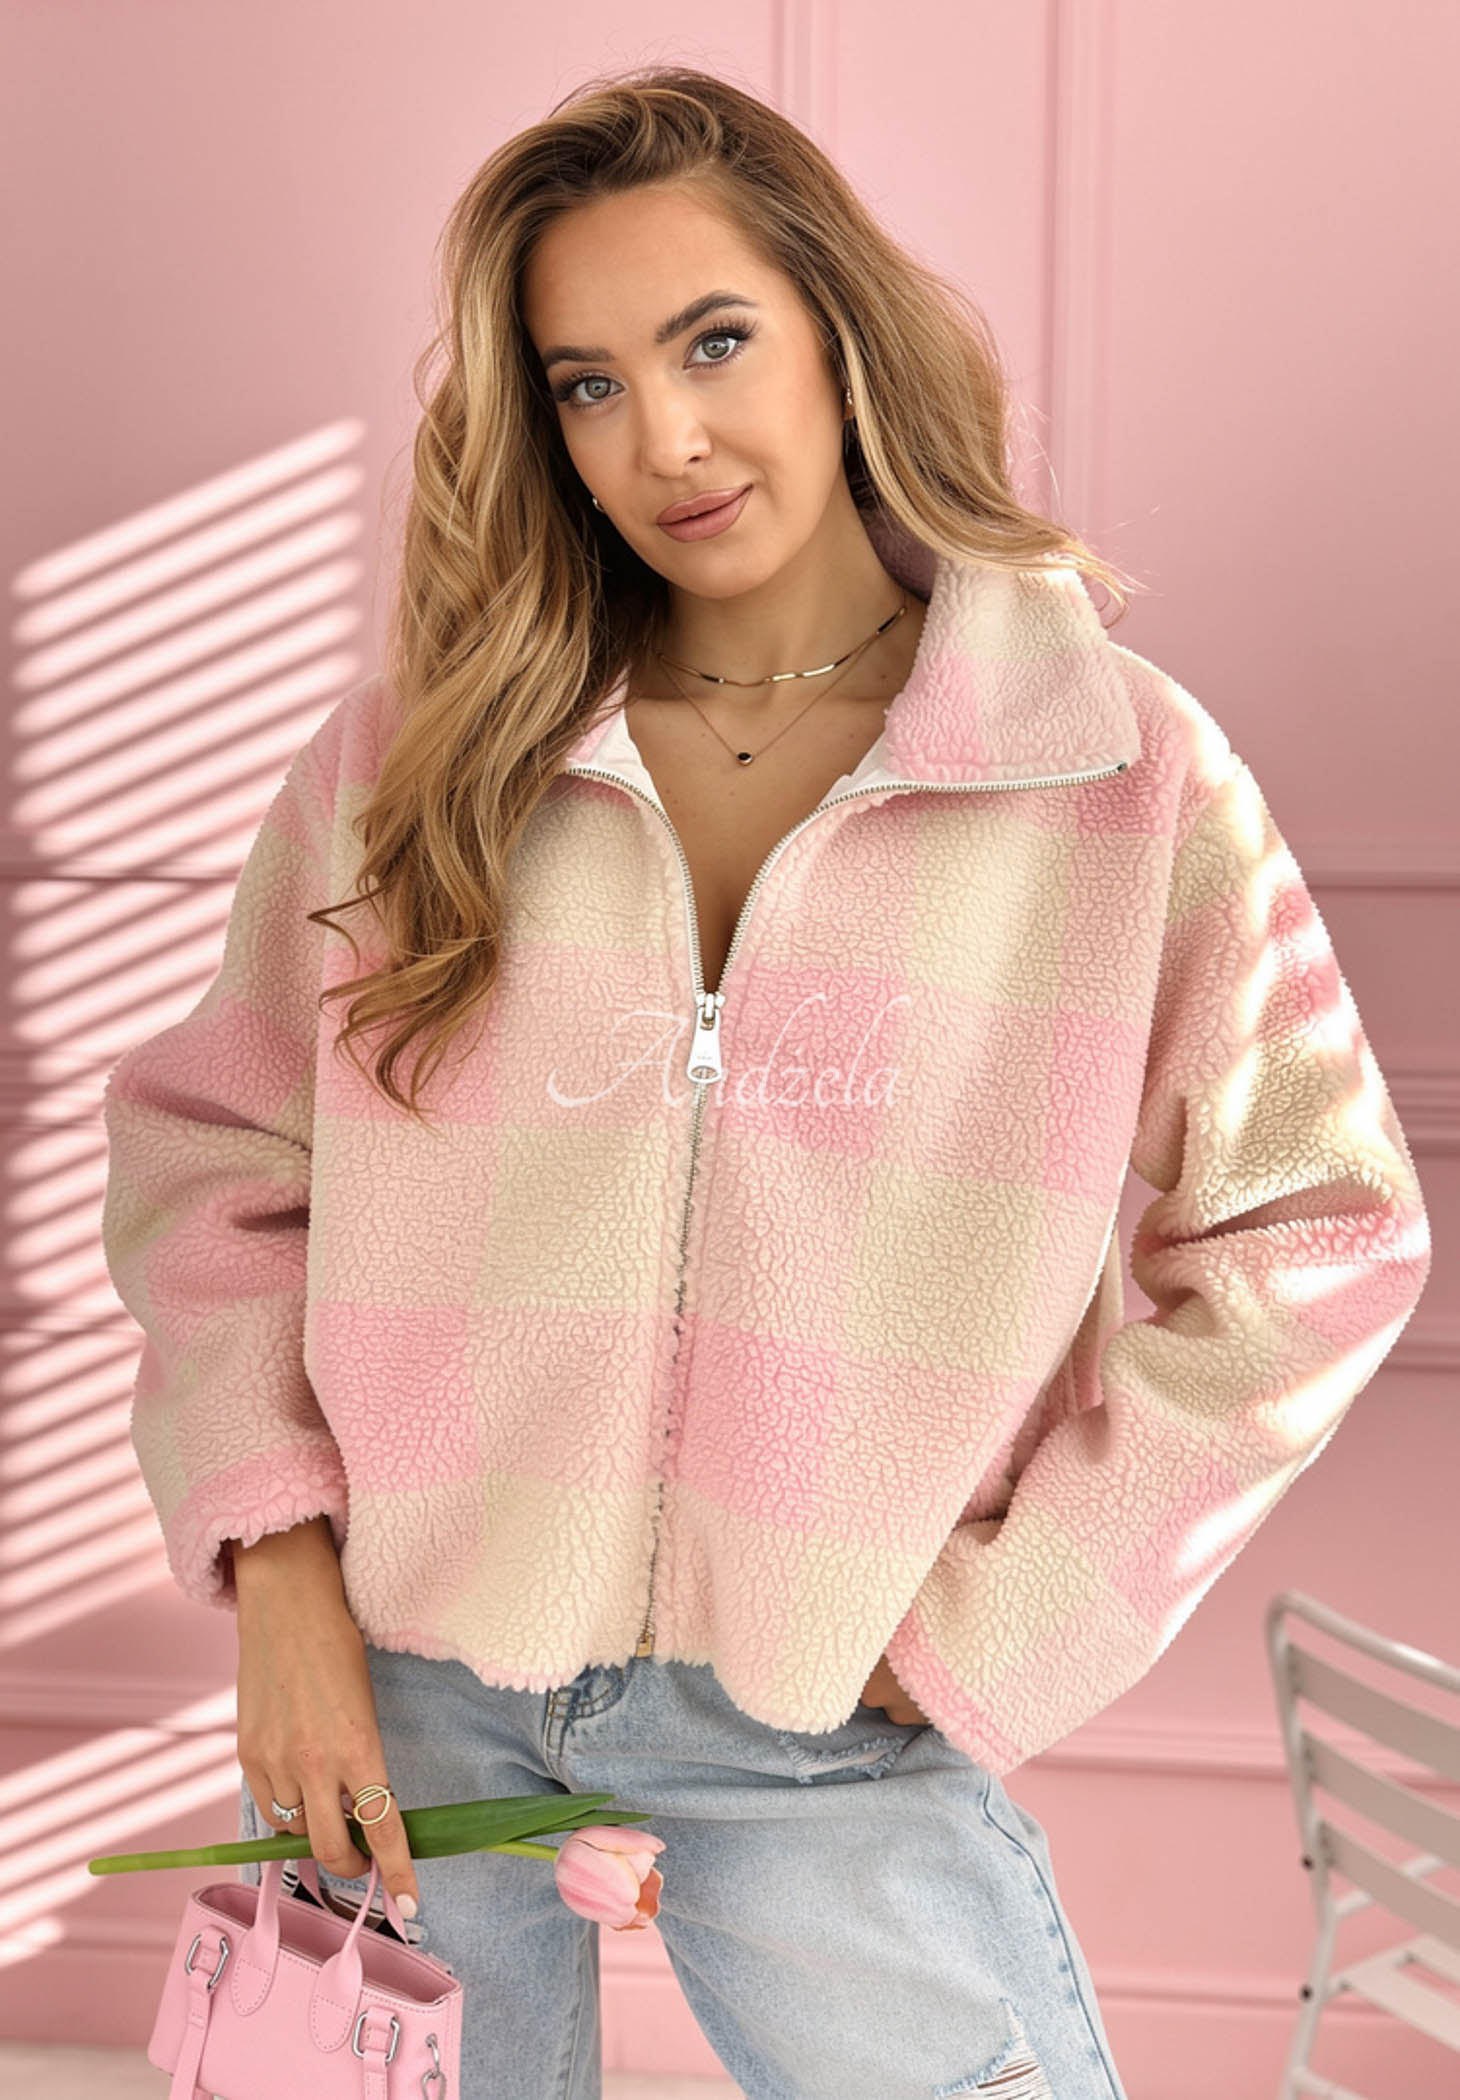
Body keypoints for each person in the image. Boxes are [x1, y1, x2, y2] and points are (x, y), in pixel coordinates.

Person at [99, 63, 1433, 2100]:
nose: (666, 439)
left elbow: (1315, 1231)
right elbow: (214, 1159)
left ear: (836, 328)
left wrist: (998, 1635)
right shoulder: (422, 757)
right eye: (588, 384)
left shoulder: (1111, 772)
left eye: (712, 341)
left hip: (833, 1724)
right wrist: (279, 1574)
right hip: (410, 1704)